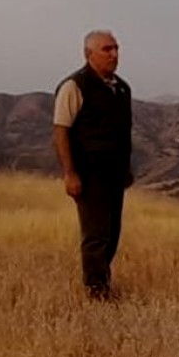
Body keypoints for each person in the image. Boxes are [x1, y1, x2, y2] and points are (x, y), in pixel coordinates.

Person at [52, 30, 134, 301]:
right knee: (96, 235)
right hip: (89, 174)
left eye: (116, 48)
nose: (114, 54)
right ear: (89, 54)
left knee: (112, 234)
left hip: (115, 174)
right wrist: (70, 173)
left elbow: (124, 133)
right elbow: (61, 130)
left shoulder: (122, 88)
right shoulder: (74, 86)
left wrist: (126, 167)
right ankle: (97, 293)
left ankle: (102, 284)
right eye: (107, 49)